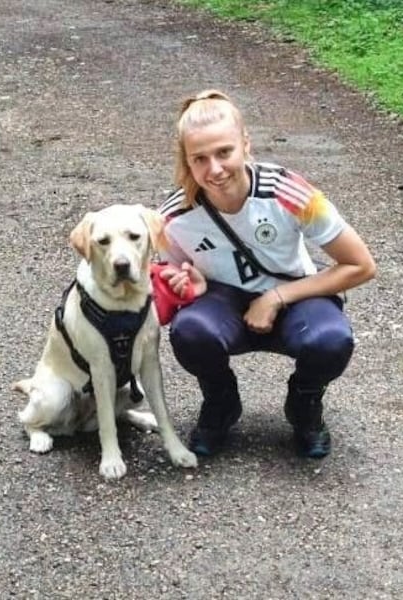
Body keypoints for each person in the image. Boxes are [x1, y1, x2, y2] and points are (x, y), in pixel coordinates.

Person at [155, 89, 376, 459]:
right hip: (222, 307)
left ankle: (305, 405)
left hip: (295, 298)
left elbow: (361, 265)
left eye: (224, 152)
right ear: (187, 161)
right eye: (200, 159)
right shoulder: (173, 217)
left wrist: (275, 298)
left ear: (245, 143)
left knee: (331, 340)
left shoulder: (288, 191)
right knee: (189, 331)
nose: (215, 169)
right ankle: (220, 402)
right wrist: (188, 288)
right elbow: (166, 284)